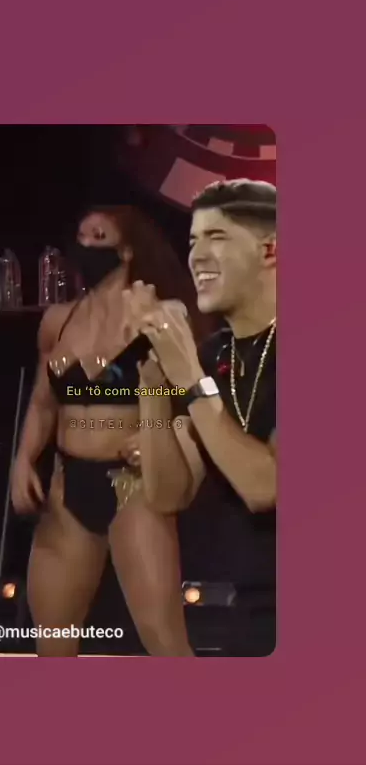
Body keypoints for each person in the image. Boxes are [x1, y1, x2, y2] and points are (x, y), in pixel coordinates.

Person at [10, 204, 209, 656]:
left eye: (98, 236)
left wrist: (165, 433)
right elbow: (42, 402)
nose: (86, 245)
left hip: (131, 488)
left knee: (165, 641)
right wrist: (23, 459)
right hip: (66, 490)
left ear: (127, 250)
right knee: (53, 641)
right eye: (81, 236)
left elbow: (198, 397)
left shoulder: (158, 315)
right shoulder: (58, 320)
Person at [124, 179, 277, 656]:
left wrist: (188, 375)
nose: (197, 257)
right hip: (249, 614)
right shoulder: (214, 355)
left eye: (217, 237)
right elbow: (169, 492)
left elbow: (265, 486)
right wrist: (153, 373)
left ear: (269, 251)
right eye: (193, 241)